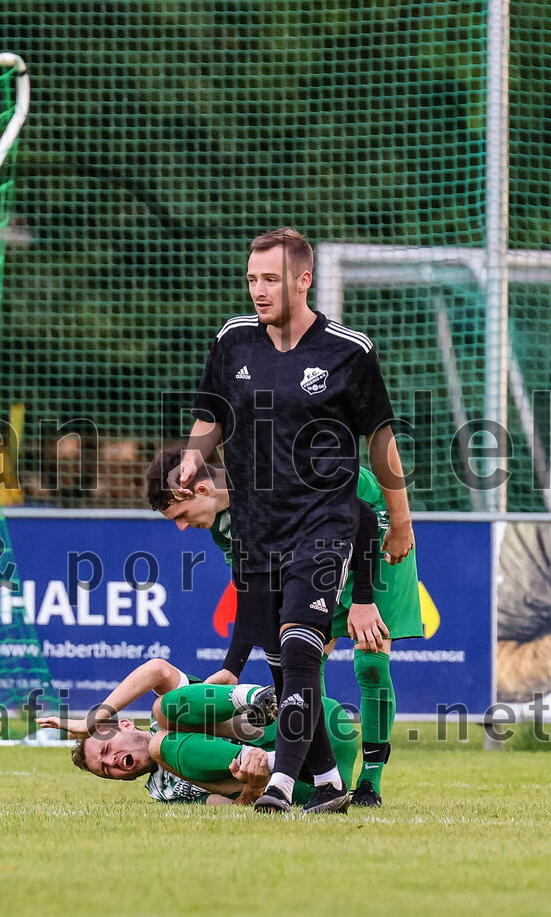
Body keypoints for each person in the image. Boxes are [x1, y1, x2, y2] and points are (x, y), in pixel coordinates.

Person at [170, 227, 414, 813]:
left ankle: (281, 784)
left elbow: (381, 442)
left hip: (326, 522)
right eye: (251, 278)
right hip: (260, 530)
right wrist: (192, 455)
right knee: (284, 669)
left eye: (270, 279)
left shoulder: (348, 351)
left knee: (301, 647)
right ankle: (329, 782)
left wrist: (400, 520)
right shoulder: (233, 341)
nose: (257, 289)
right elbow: (212, 412)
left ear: (303, 281)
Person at [147, 445, 423, 806]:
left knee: (370, 662)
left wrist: (363, 600)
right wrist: (233, 668)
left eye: (180, 515)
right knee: (302, 665)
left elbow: (364, 522)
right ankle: (322, 775)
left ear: (200, 490)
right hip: (317, 550)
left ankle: (370, 780)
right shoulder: (224, 528)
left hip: (370, 534)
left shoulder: (276, 479)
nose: (182, 527)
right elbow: (253, 589)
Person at [36, 658, 358, 811]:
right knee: (164, 744)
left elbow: (157, 670)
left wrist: (92, 719)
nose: (114, 763)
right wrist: (251, 788)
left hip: (312, 718)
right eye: (106, 771)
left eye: (106, 752)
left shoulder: (171, 715)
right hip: (314, 781)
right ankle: (277, 762)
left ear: (124, 725)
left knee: (162, 713)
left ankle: (253, 698)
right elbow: (231, 808)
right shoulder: (162, 792)